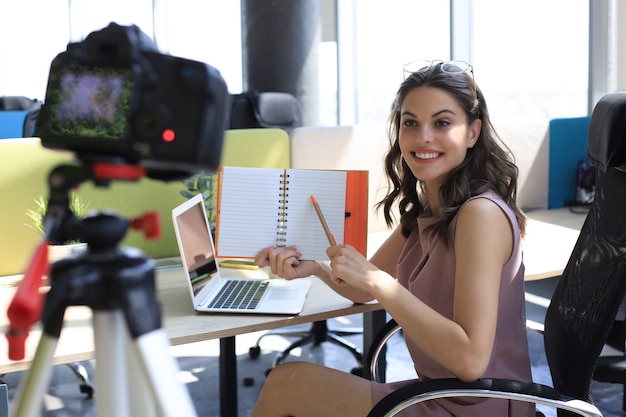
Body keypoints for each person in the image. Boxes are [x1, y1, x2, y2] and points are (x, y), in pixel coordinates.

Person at [250, 60, 533, 417]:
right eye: (410, 122)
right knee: (288, 384)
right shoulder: (432, 207)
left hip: (476, 404)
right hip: (440, 394)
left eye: (442, 123)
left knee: (287, 385)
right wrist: (318, 268)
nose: (422, 137)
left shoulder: (479, 215)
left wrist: (380, 282)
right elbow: (364, 289)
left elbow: (470, 360)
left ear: (473, 132)